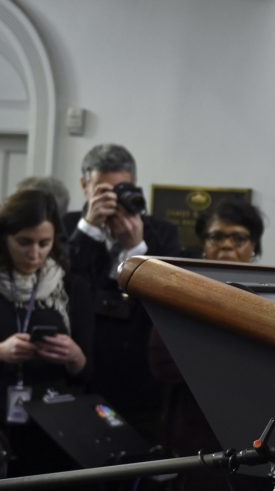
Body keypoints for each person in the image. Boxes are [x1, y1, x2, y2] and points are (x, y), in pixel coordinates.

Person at [0, 190, 93, 477]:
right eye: (24, 242)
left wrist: (75, 357)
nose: (34, 253)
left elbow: (88, 372)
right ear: (3, 237)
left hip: (53, 428)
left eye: (44, 243)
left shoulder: (73, 288)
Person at [64, 143, 181, 442]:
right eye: (103, 190)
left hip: (137, 373)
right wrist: (88, 230)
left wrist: (136, 250)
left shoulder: (161, 233)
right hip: (80, 367)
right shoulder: (64, 228)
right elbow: (62, 283)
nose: (114, 200)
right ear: (83, 185)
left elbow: (167, 299)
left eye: (122, 189)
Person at [149, 197, 266, 491]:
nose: (227, 246)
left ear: (254, 248)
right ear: (204, 243)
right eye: (217, 236)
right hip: (193, 436)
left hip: (252, 437)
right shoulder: (179, 293)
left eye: (239, 238)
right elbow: (162, 363)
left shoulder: (271, 300)